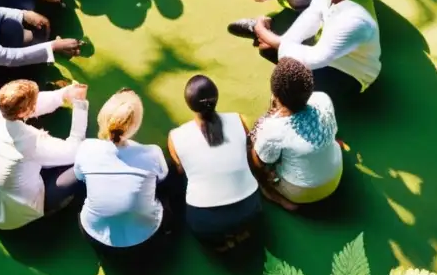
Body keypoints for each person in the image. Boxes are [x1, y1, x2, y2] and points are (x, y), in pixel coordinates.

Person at [232, 0, 381, 98]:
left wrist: (265, 34)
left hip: (350, 72)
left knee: (289, 78)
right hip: (328, 54)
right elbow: (312, 15)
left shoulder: (355, 21)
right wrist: (282, 40)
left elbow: (317, 58)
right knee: (268, 49)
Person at [0, 79, 90, 230]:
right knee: (84, 161)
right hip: (15, 212)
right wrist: (80, 104)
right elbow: (75, 149)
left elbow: (29, 107)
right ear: (25, 111)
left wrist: (63, 94)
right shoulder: (31, 142)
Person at [167, 75, 262, 252]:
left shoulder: (175, 137)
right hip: (250, 209)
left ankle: (222, 244)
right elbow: (248, 151)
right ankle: (242, 234)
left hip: (205, 221)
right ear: (216, 98)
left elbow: (181, 170)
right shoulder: (238, 120)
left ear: (189, 104)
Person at [73, 89, 172, 258]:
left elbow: (79, 176)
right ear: (135, 125)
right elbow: (163, 177)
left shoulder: (86, 147)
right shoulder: (152, 153)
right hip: (146, 239)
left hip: (96, 237)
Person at [249, 58, 343, 210]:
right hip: (335, 176)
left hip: (302, 192)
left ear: (276, 96)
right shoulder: (323, 99)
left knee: (254, 151)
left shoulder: (273, 128)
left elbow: (262, 162)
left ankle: (277, 197)